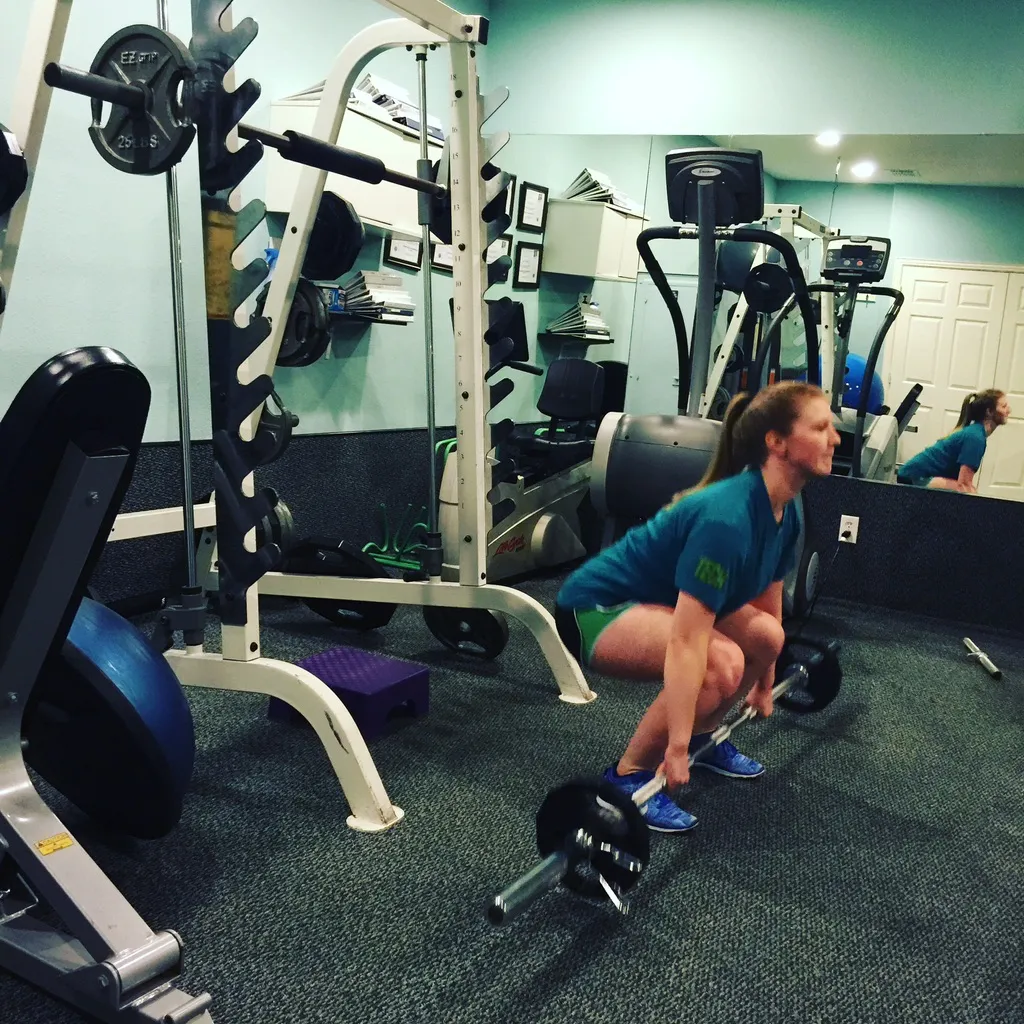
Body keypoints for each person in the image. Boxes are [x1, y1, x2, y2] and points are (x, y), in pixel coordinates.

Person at [554, 381, 841, 833]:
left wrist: (764, 685)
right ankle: (628, 775)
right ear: (777, 442)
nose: (835, 438)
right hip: (597, 608)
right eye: (822, 427)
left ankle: (709, 733)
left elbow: (768, 614)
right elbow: (688, 642)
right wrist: (677, 747)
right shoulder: (727, 519)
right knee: (718, 662)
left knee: (767, 636)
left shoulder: (786, 510)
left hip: (663, 600)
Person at [897, 390, 1011, 493]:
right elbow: (963, 485)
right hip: (914, 476)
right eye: (1004, 406)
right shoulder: (975, 437)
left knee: (969, 490)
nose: (1009, 410)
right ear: (989, 412)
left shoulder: (975, 432)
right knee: (968, 490)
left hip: (913, 474)